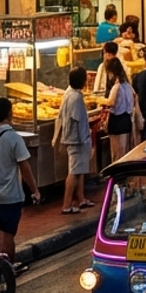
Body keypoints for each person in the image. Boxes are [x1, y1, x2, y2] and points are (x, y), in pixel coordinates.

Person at [0, 98, 40, 259]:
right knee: (8, 233)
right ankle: (8, 266)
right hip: (10, 195)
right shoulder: (14, 138)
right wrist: (35, 190)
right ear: (9, 114)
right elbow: (24, 167)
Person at [52, 67, 92, 214]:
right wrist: (84, 139)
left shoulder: (71, 94)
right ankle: (66, 204)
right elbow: (76, 120)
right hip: (76, 140)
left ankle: (80, 199)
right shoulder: (75, 97)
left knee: (78, 170)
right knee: (74, 172)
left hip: (75, 139)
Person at [104, 58, 137, 160]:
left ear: (111, 72)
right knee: (125, 152)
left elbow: (111, 102)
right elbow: (135, 96)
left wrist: (99, 100)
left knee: (117, 155)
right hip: (126, 120)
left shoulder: (117, 87)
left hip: (116, 122)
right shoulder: (127, 85)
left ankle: (117, 176)